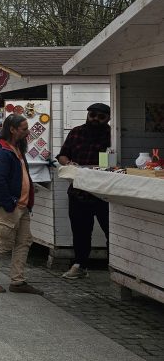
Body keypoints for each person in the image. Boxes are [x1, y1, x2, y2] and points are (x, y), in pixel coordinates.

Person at [0, 114, 42, 295]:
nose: (27, 132)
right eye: (24, 128)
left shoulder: (16, 149)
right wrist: (9, 204)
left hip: (21, 205)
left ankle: (18, 281)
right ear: (12, 130)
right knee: (4, 241)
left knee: (24, 241)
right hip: (10, 206)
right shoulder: (1, 151)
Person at [57, 103, 112, 280]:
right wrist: (68, 164)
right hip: (79, 191)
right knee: (80, 231)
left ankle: (115, 266)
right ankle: (80, 265)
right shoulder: (76, 132)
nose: (95, 119)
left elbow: (114, 159)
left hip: (105, 193)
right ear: (87, 115)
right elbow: (63, 154)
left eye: (100, 117)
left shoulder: (112, 134)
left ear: (108, 119)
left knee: (112, 230)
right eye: (92, 115)